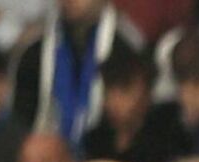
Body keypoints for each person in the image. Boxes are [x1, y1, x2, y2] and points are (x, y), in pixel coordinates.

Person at [11, 0, 146, 149]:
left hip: (106, 153)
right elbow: (22, 119)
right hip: (46, 153)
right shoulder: (35, 50)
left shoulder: (127, 46)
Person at [81, 44, 193, 162]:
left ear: (147, 94)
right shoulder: (95, 141)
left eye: (124, 91)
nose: (114, 100)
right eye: (109, 90)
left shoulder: (170, 139)